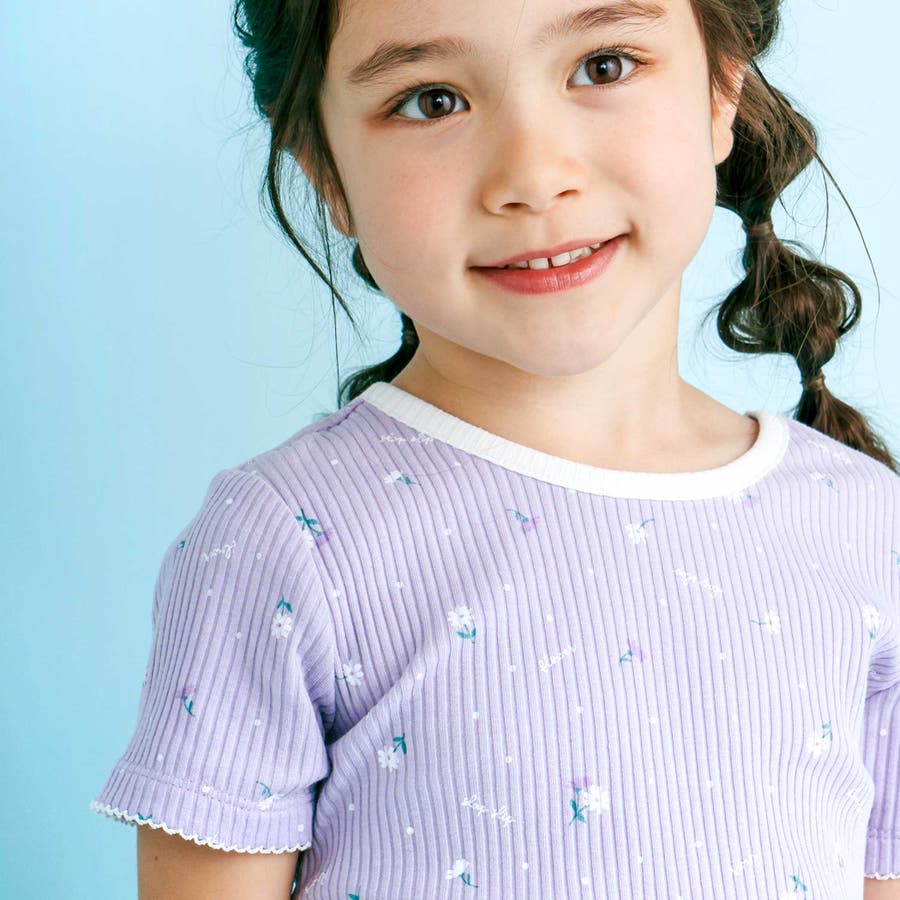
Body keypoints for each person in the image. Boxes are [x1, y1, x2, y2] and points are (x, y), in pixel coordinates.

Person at [90, 0, 900, 897]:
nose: (534, 176)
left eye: (603, 66)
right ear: (325, 170)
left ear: (722, 89)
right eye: (432, 100)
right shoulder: (283, 542)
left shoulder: (869, 527)